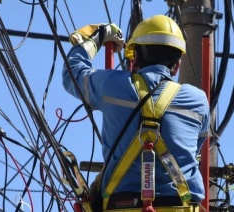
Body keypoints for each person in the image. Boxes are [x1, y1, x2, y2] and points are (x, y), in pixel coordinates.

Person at [63, 15, 210, 211]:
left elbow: (72, 74)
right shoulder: (198, 101)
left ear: (135, 56)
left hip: (121, 206)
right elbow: (195, 150)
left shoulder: (112, 86)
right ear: (176, 65)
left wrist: (97, 37)